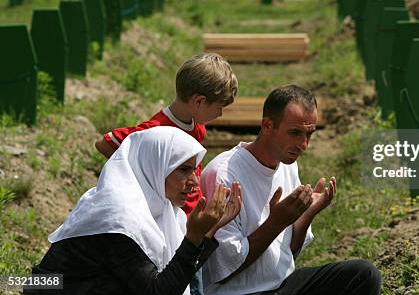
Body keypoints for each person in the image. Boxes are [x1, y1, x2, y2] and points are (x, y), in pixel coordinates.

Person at [201, 85, 382, 295]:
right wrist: (276, 222)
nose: (303, 144)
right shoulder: (224, 174)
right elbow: (223, 269)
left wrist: (306, 214)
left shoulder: (287, 165)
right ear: (267, 125)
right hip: (238, 292)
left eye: (309, 134)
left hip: (281, 285)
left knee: (364, 275)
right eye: (295, 133)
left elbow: (289, 251)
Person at [26, 127, 242, 295]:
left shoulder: (161, 208)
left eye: (194, 170)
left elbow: (174, 274)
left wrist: (206, 233)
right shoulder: (120, 217)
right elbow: (158, 291)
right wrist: (193, 238)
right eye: (184, 170)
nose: (195, 182)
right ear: (154, 166)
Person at [94, 53, 238, 295]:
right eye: (219, 107)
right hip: (168, 223)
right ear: (199, 101)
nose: (221, 114)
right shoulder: (155, 130)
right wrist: (142, 178)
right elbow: (105, 143)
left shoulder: (197, 128)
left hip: (188, 222)